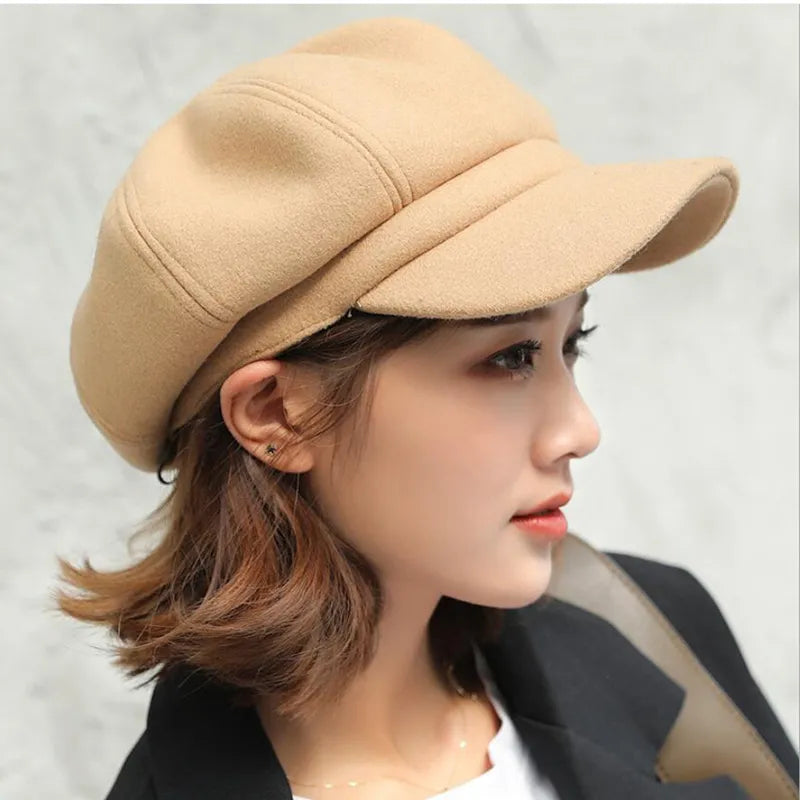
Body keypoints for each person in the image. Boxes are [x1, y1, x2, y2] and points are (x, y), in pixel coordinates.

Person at [56, 16, 798, 800]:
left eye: (570, 344)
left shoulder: (653, 625)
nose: (580, 431)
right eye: (510, 357)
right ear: (277, 414)